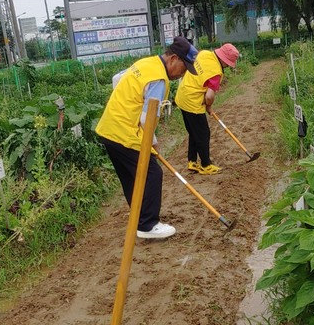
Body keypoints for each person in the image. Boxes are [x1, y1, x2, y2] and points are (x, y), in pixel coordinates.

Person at [96, 36, 198, 240]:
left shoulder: (146, 63)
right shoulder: (158, 79)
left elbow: (117, 79)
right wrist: (153, 143)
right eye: (184, 68)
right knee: (153, 174)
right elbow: (146, 120)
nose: (182, 74)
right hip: (125, 133)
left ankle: (138, 218)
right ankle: (147, 224)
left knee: (131, 178)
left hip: (108, 129)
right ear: (173, 59)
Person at [175, 43, 240, 175]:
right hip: (192, 102)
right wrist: (208, 106)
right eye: (228, 63)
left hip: (182, 95)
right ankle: (206, 164)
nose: (227, 66)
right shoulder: (216, 72)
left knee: (194, 132)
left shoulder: (204, 54)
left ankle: (192, 162)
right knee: (203, 133)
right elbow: (209, 96)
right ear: (223, 59)